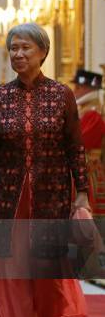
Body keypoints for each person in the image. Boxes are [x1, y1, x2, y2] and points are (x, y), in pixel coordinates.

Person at [0, 23, 88, 317]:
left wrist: (81, 191)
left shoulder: (61, 95)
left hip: (51, 197)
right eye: (13, 49)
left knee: (45, 273)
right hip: (9, 200)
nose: (19, 55)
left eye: (25, 48)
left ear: (42, 53)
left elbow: (75, 148)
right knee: (15, 275)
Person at [72, 69, 105, 217]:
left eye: (77, 87)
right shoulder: (84, 111)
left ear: (87, 89)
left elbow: (79, 142)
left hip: (89, 171)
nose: (74, 91)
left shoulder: (93, 114)